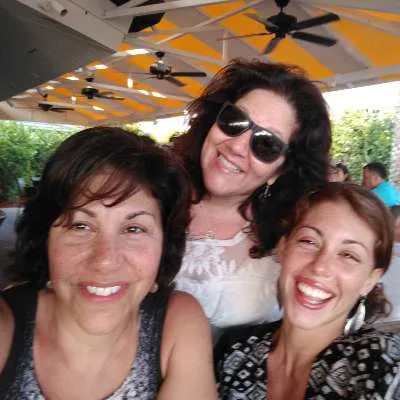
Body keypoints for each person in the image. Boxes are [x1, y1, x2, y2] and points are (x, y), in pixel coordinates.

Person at [0, 127, 217, 399]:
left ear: (164, 248)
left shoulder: (177, 322)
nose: (105, 261)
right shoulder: (7, 326)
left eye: (134, 229)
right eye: (80, 226)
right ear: (45, 239)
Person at [171, 58, 332, 338]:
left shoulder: (288, 242)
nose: (236, 146)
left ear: (280, 171)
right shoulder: (153, 194)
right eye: (234, 120)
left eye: (267, 144)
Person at [215, 183, 400, 399]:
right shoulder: (233, 351)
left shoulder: (382, 364)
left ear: (370, 280)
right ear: (282, 248)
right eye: (309, 241)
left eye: (348, 255)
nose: (320, 267)